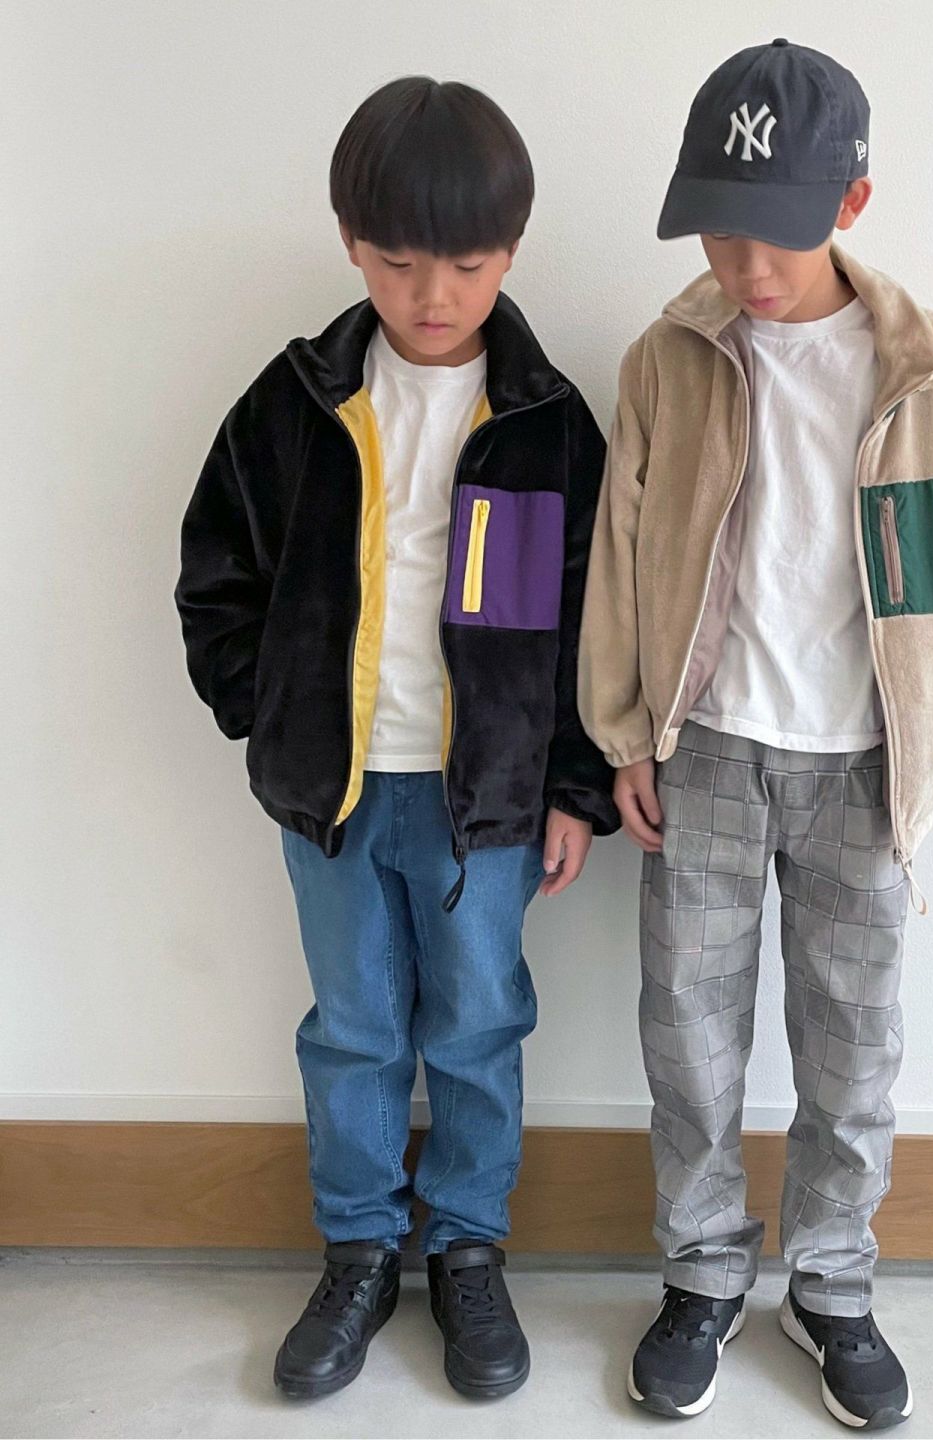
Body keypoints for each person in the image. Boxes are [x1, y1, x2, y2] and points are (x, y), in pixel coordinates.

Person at [579, 39, 933, 1430]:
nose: (746, 264)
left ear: (851, 202)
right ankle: (702, 1273)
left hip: (863, 768)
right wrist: (625, 735)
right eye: (719, 230)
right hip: (707, 748)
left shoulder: (921, 366)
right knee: (689, 1038)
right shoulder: (672, 356)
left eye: (773, 232)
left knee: (853, 1048)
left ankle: (831, 1285)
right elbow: (619, 553)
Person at [176, 75, 616, 1402]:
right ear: (351, 245)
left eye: (467, 267)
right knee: (356, 1027)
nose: (433, 295)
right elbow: (217, 576)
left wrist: (575, 787)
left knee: (477, 1023)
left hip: (490, 804)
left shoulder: (546, 423)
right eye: (400, 262)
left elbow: (599, 623)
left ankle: (468, 1246)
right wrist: (266, 716)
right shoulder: (294, 404)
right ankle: (360, 1248)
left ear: (512, 252)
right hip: (336, 793)